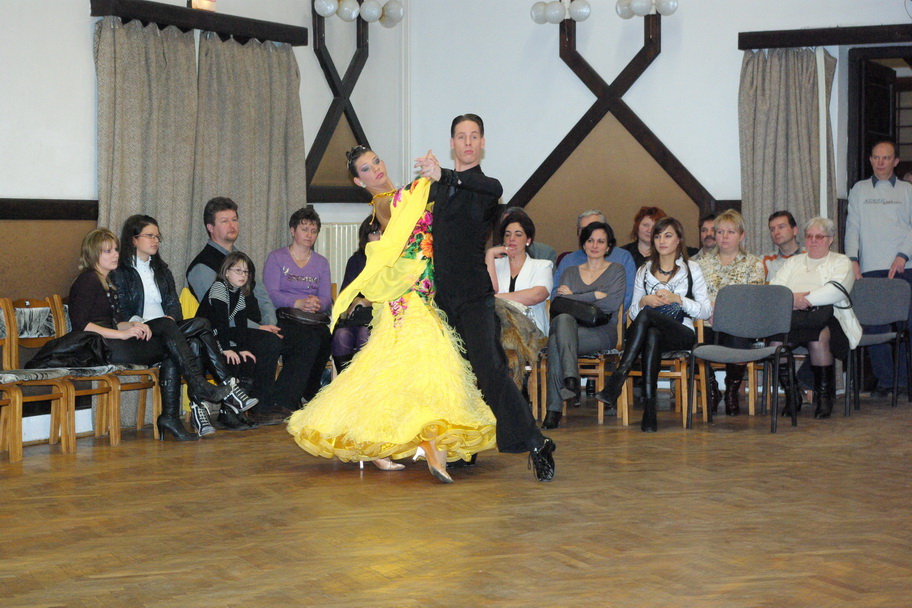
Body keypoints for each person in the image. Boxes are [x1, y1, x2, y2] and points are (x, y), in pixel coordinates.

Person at [287, 146, 496, 484]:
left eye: (376, 161)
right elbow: (412, 205)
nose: (376, 169)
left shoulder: (400, 196)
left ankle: (379, 445)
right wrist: (432, 177)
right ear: (359, 181)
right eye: (366, 169)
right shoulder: (386, 203)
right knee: (431, 366)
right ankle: (433, 450)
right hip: (407, 299)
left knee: (392, 371)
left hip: (420, 294)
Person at [414, 113, 555, 482]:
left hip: (475, 296)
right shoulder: (436, 189)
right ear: (452, 143)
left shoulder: (487, 187)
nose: (467, 142)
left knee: (491, 371)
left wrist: (444, 174)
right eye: (461, 136)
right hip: (442, 298)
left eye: (474, 136)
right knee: (456, 376)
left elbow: (477, 185)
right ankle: (464, 447)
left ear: (482, 143)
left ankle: (537, 443)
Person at [68, 228, 250, 442]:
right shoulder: (87, 280)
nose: (115, 254)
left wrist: (133, 325)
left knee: (183, 338)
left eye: (116, 249)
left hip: (114, 342)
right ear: (93, 254)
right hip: (100, 349)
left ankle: (170, 417)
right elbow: (82, 325)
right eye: (108, 251)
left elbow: (117, 322)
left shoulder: (107, 282)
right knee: (173, 328)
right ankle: (208, 385)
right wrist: (123, 335)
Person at [109, 215, 258, 437]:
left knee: (199, 330)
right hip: (139, 334)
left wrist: (171, 319)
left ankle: (176, 415)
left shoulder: (162, 271)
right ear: (133, 239)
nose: (155, 240)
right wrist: (141, 322)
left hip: (167, 332)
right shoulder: (120, 272)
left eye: (157, 236)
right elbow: (119, 311)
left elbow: (174, 306)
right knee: (194, 332)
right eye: (150, 236)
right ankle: (224, 388)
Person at [187, 197, 306, 427]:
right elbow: (218, 315)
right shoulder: (202, 265)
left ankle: (284, 401)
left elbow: (263, 296)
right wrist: (261, 328)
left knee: (306, 338)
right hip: (225, 331)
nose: (232, 225)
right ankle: (259, 409)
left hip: (258, 326)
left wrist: (271, 323)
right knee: (268, 342)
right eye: (224, 221)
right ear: (210, 227)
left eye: (234, 219)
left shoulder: (241, 260)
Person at [595, 217, 712, 432]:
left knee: (648, 317)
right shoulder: (644, 270)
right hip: (651, 334)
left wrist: (678, 299)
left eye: (668, 235)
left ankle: (619, 377)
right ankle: (650, 410)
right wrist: (643, 301)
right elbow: (633, 313)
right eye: (657, 236)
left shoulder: (692, 268)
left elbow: (705, 311)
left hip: (682, 333)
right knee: (652, 333)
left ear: (679, 239)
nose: (662, 241)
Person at [771, 217, 862, 418]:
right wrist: (794, 301)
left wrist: (802, 300)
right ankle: (792, 394)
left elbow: (836, 290)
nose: (813, 241)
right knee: (775, 341)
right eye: (809, 236)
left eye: (819, 237)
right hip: (792, 316)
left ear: (830, 239)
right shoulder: (793, 262)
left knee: (819, 336)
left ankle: (824, 397)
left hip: (829, 317)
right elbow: (776, 290)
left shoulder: (841, 261)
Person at [845, 137, 912, 398]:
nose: (880, 162)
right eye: (876, 157)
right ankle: (886, 381)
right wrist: (852, 259)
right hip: (870, 267)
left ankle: (904, 381)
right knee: (874, 327)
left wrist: (903, 256)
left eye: (886, 158)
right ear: (871, 160)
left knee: (906, 324)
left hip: (905, 267)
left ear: (895, 161)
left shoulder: (907, 190)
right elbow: (853, 227)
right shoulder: (859, 189)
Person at [544, 221, 626, 429]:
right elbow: (559, 304)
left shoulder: (617, 270)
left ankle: (554, 409)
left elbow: (611, 305)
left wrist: (576, 296)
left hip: (603, 331)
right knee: (563, 320)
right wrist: (594, 295)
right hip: (570, 329)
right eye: (590, 240)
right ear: (583, 244)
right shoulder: (570, 272)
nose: (595, 245)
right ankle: (571, 378)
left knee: (555, 341)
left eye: (601, 241)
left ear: (608, 246)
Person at [195, 252, 284, 431]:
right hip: (206, 338)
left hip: (221, 335)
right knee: (231, 359)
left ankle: (232, 412)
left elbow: (241, 324)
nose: (243, 275)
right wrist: (226, 348)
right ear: (226, 272)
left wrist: (242, 348)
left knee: (247, 358)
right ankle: (229, 410)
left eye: (246, 271)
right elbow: (220, 321)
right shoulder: (219, 288)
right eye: (238, 270)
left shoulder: (239, 293)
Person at [697, 209, 765, 416]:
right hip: (707, 322)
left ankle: (731, 392)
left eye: (730, 232)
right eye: (720, 232)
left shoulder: (753, 263)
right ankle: (712, 390)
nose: (724, 236)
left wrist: (723, 310)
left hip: (739, 323)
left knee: (739, 338)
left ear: (742, 236)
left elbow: (753, 298)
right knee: (692, 340)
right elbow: (695, 295)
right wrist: (707, 310)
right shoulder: (701, 264)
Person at [262, 206, 333, 397]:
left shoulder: (321, 263)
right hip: (285, 317)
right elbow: (270, 294)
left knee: (325, 338)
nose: (309, 235)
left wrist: (318, 303)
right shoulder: (277, 257)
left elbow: (327, 298)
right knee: (307, 340)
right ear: (293, 231)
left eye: (313, 231)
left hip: (312, 318)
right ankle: (287, 398)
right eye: (304, 229)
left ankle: (308, 393)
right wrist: (298, 302)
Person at [485, 207, 553, 334]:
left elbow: (536, 295)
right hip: (499, 329)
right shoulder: (494, 264)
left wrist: (495, 298)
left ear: (528, 240)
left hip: (531, 333)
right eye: (507, 234)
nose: (511, 238)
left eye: (518, 234)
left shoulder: (542, 266)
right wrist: (490, 254)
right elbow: (490, 290)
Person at [553, 210, 637, 312]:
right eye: (585, 230)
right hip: (570, 317)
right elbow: (558, 299)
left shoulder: (622, 259)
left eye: (595, 227)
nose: (594, 244)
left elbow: (620, 300)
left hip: (605, 318)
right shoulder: (568, 262)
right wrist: (594, 295)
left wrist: (573, 297)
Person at [331, 215, 382, 373]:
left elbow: (396, 295)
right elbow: (345, 296)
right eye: (375, 233)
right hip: (358, 317)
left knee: (364, 334)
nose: (380, 237)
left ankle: (366, 385)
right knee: (341, 335)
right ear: (365, 237)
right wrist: (355, 301)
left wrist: (367, 301)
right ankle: (345, 384)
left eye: (383, 232)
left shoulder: (394, 260)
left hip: (382, 317)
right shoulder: (357, 260)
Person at [762, 210, 803, 281]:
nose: (776, 232)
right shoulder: (765, 260)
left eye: (781, 227)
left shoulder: (810, 255)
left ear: (794, 230)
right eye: (772, 229)